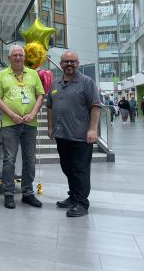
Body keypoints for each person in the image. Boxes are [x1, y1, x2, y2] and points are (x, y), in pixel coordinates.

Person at [46, 51, 101, 217]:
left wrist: (93, 129)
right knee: (67, 166)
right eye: (65, 61)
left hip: (80, 136)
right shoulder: (55, 84)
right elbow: (49, 106)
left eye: (72, 61)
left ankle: (82, 202)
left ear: (77, 63)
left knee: (79, 169)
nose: (69, 64)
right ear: (61, 64)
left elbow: (95, 106)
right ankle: (73, 196)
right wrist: (50, 127)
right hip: (62, 135)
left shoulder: (86, 82)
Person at [0, 45, 44, 209]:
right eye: (14, 55)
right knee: (9, 159)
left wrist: (33, 113)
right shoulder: (1, 75)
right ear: (9, 58)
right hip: (10, 124)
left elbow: (40, 95)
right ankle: (8, 193)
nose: (18, 58)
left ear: (24, 57)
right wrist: (11, 115)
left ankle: (28, 193)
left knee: (29, 159)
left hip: (30, 123)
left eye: (20, 55)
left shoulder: (33, 74)